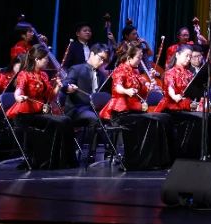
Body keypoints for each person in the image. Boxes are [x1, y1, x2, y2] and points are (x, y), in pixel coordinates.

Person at [98, 41, 173, 170]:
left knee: (163, 118)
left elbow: (141, 91)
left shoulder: (135, 71)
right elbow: (117, 87)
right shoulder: (120, 70)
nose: (140, 60)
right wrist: (126, 91)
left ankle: (158, 160)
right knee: (151, 121)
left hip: (133, 110)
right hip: (121, 113)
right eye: (138, 57)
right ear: (129, 58)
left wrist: (149, 86)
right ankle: (139, 161)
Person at [6, 44, 78, 169]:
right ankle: (48, 161)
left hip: (40, 113)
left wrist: (57, 87)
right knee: (58, 122)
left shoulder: (44, 75)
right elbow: (19, 89)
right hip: (26, 115)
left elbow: (50, 97)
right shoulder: (24, 74)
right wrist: (18, 97)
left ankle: (64, 160)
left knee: (66, 120)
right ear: (37, 59)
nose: (47, 61)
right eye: (45, 58)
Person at [62, 43, 110, 160]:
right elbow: (65, 84)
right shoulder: (77, 69)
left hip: (94, 109)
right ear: (92, 54)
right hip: (77, 108)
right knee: (94, 118)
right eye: (101, 58)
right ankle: (91, 153)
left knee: (112, 116)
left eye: (104, 60)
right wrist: (69, 88)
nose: (102, 62)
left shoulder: (102, 75)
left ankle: (110, 152)